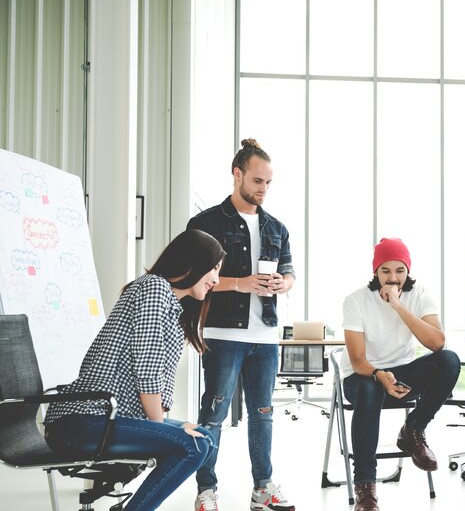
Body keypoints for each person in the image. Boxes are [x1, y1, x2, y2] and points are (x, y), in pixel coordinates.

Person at [43, 229, 225, 511]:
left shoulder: (169, 302)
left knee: (205, 439)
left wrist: (165, 424)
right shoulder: (155, 288)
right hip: (84, 420)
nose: (216, 279)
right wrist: (162, 427)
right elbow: (148, 370)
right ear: (193, 261)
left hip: (105, 418)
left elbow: (157, 377)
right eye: (213, 268)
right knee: (195, 446)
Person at [186, 139, 297, 511]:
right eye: (257, 180)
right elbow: (192, 277)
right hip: (222, 333)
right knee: (214, 413)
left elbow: (289, 270)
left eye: (268, 182)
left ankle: (262, 488)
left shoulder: (276, 228)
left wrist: (285, 283)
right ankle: (206, 490)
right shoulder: (204, 223)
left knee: (263, 414)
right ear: (237, 175)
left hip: (265, 335)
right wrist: (241, 282)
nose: (263, 188)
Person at [340, 237, 460, 511]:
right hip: (363, 378)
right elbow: (358, 360)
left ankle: (414, 429)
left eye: (400, 271)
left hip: (402, 377)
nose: (393, 278)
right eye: (386, 271)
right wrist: (379, 374)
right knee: (370, 387)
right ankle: (366, 486)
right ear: (375, 271)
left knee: (449, 360)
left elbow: (436, 343)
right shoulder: (356, 300)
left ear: (408, 270)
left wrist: (398, 305)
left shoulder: (420, 295)